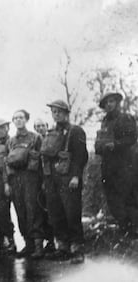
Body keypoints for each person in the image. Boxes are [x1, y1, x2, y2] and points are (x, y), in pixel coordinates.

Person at [41, 100, 88, 264]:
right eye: (53, 112)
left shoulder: (76, 131)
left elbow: (81, 156)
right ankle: (63, 247)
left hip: (68, 178)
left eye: (59, 111)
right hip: (52, 179)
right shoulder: (51, 132)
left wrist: (76, 176)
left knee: (72, 213)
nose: (56, 114)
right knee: (56, 213)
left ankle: (77, 249)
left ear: (67, 113)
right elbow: (46, 156)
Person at [95, 92, 138, 235]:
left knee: (127, 197)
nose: (109, 105)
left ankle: (133, 229)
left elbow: (132, 138)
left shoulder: (125, 118)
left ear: (117, 103)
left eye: (111, 101)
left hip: (125, 165)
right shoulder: (105, 122)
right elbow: (100, 143)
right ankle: (123, 226)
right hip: (108, 166)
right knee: (112, 198)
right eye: (106, 103)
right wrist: (100, 147)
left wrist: (116, 144)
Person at [5, 110, 44, 259]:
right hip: (16, 179)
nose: (18, 120)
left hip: (31, 179)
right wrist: (8, 183)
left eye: (21, 117)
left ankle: (38, 246)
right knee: (20, 210)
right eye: (15, 118)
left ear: (26, 119)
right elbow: (6, 163)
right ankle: (28, 244)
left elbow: (42, 161)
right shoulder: (11, 141)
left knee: (33, 210)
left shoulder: (36, 137)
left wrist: (42, 182)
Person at [0, 119, 16, 254]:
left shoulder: (13, 141)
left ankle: (30, 242)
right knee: (0, 212)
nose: (2, 131)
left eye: (4, 128)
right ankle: (5, 239)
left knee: (21, 211)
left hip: (14, 179)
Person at [33, 118, 55, 253]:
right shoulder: (35, 141)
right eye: (37, 126)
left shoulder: (51, 139)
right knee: (40, 211)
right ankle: (48, 241)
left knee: (51, 211)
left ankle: (54, 241)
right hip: (38, 179)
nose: (40, 128)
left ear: (47, 126)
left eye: (42, 125)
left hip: (50, 178)